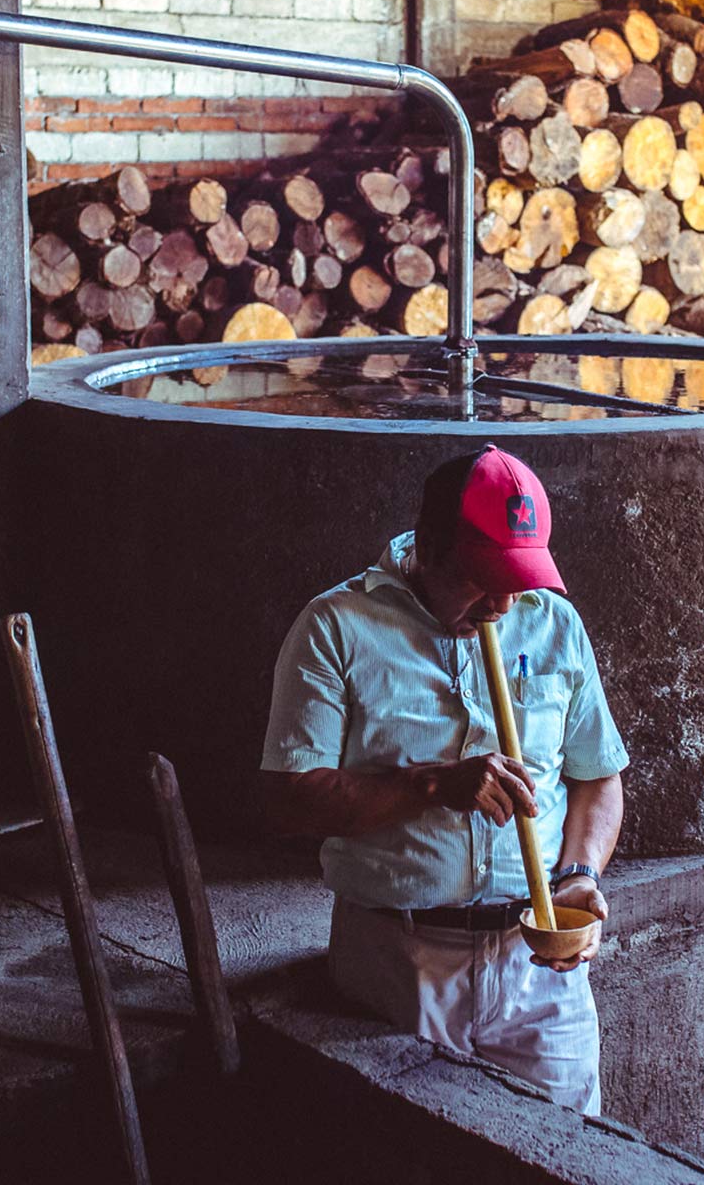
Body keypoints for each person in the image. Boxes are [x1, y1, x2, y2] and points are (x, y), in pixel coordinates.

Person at [260, 443, 628, 1114]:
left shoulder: (554, 624)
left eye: (519, 577)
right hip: (399, 963)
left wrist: (581, 873)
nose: (503, 601)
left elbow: (597, 778)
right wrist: (431, 787)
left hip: (538, 968)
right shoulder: (337, 628)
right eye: (483, 576)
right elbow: (287, 801)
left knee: (570, 1155)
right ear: (428, 548)